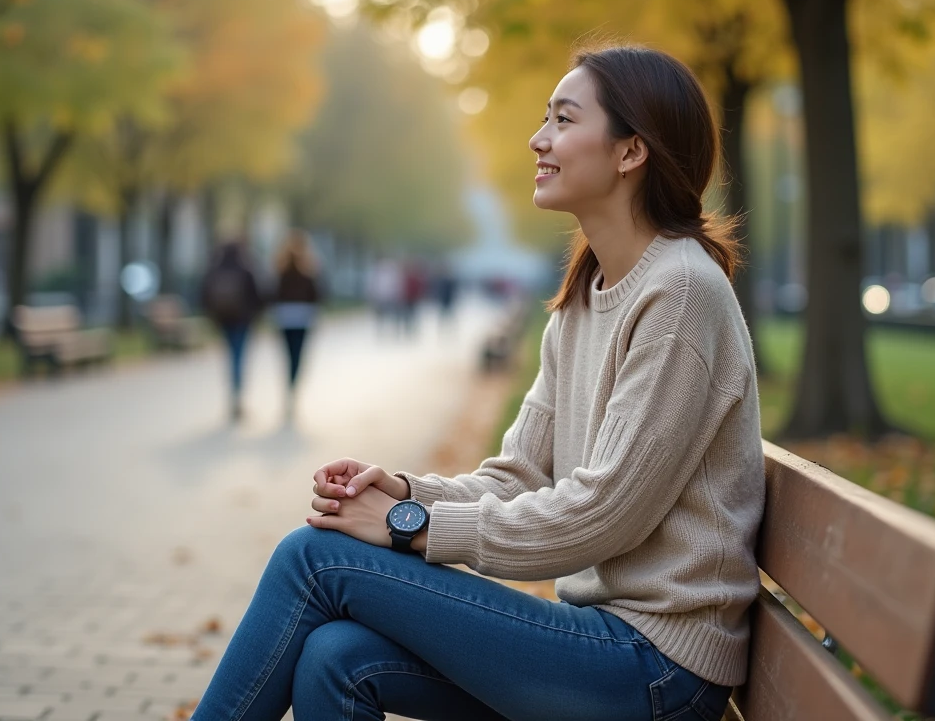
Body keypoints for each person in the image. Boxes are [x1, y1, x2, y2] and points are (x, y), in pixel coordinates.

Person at [190, 46, 765, 720]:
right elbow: (519, 474)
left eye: (563, 119)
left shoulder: (680, 293)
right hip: (603, 643)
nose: (537, 138)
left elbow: (602, 514)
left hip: (655, 670)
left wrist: (411, 526)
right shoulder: (585, 299)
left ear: (629, 151)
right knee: (335, 656)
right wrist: (404, 491)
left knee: (313, 558)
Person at [201, 240, 263, 422]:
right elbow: (257, 295)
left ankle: (233, 393)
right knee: (239, 356)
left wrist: (212, 317)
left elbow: (204, 294)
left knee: (230, 356)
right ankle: (237, 395)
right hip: (243, 321)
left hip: (223, 321)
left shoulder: (215, 268)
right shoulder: (246, 268)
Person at [272, 230, 322, 426]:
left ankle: (289, 392)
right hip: (302, 319)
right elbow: (317, 295)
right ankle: (292, 392)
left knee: (287, 357)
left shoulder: (281, 271)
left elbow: (273, 294)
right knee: (297, 358)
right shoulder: (308, 272)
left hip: (285, 318)